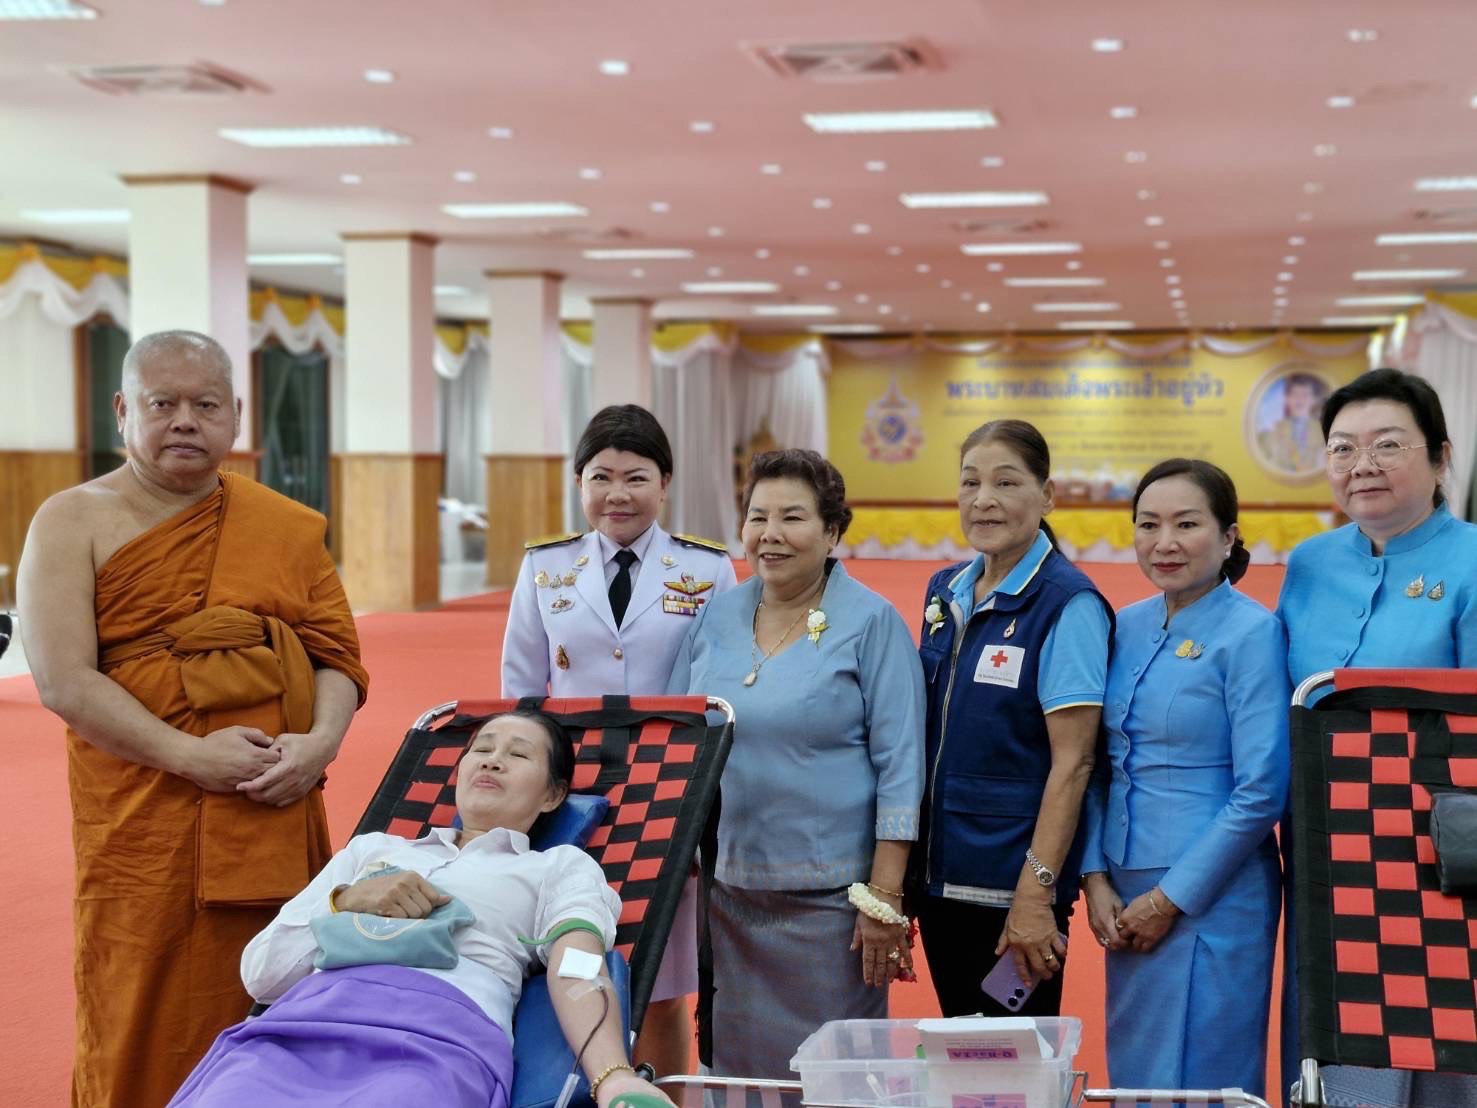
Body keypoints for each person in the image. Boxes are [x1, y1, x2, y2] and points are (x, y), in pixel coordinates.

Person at [17, 330, 369, 1106]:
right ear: (122, 412)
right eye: (162, 403)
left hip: (271, 801)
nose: (185, 421)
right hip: (145, 808)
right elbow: (64, 681)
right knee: (138, 991)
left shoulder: (283, 525)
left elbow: (335, 656)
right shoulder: (71, 519)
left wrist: (318, 745)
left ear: (235, 416)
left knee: (273, 981)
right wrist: (188, 755)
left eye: (205, 404)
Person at [170, 710, 673, 1108]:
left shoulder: (557, 868)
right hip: (305, 1027)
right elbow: (262, 975)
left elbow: (578, 967)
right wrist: (345, 900)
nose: (491, 760)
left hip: (435, 1043)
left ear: (553, 795)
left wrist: (614, 1078)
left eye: (517, 755)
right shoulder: (372, 851)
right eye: (481, 748)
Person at [669, 448, 924, 1088]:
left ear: (833, 531)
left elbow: (902, 768)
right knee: (742, 1072)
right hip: (731, 890)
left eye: (793, 517)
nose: (770, 535)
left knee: (835, 1078)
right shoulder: (716, 617)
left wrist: (884, 901)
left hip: (834, 904)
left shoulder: (870, 622)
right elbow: (681, 741)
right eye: (757, 517)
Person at [502, 403, 736, 1077]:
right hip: (567, 794)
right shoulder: (545, 569)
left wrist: (702, 809)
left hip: (667, 793)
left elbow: (716, 696)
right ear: (579, 484)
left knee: (660, 983)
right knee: (563, 968)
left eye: (635, 478)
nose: (617, 495)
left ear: (664, 484)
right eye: (600, 477)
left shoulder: (706, 570)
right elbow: (522, 689)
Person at [1278, 368, 1477, 1107]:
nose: (1360, 464)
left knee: (1442, 1046)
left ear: (1439, 456)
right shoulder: (1308, 563)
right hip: (1325, 847)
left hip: (1438, 848)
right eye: (1341, 448)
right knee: (1333, 1043)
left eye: (1386, 445)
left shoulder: (1470, 559)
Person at [1080, 459, 1288, 1096]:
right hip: (1123, 890)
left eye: (1186, 524)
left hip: (1212, 893)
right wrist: (1093, 877)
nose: (1164, 543)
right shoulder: (1126, 623)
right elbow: (1098, 764)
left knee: (1205, 1076)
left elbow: (1261, 790)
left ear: (1228, 537)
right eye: (1148, 525)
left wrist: (1169, 900)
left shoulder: (1252, 633)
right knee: (1140, 1074)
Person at [912, 419, 1111, 1017]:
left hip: (1012, 887)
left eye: (1006, 482)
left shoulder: (1067, 605)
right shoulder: (946, 588)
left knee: (1014, 1066)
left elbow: (1074, 763)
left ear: (1047, 495)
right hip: (941, 875)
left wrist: (1036, 892)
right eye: (970, 482)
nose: (984, 499)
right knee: (962, 1055)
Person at [1258, 371, 1326, 473]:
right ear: (1287, 398)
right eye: (1295, 394)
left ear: (1313, 399)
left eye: (1305, 395)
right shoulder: (1275, 431)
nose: (1300, 399)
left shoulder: (1323, 431)